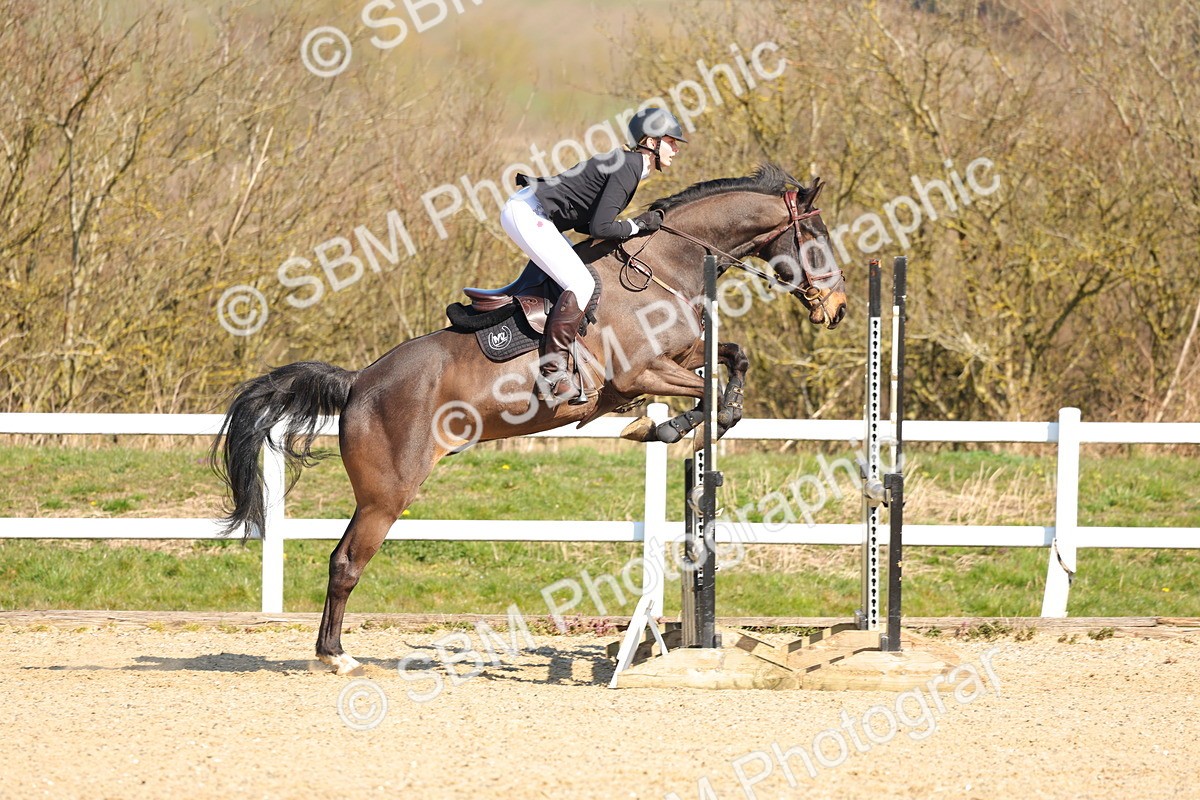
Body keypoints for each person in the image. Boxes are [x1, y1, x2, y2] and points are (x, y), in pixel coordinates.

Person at [500, 107, 688, 404]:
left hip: (534, 213)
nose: (676, 149)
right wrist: (637, 225)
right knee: (583, 284)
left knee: (575, 279)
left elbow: (592, 225)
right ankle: (552, 375)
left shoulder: (629, 165)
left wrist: (632, 227)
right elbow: (602, 226)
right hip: (529, 213)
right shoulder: (629, 166)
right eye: (671, 141)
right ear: (652, 142)